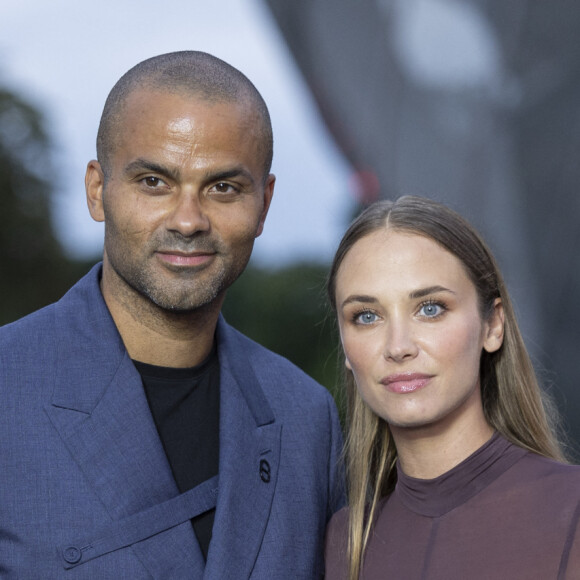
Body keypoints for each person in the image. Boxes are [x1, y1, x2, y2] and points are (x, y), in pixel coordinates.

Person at [0, 51, 344, 579]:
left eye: (223, 187)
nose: (188, 221)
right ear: (98, 190)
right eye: (154, 182)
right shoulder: (8, 385)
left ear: (265, 204)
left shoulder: (304, 418)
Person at [324, 195, 580, 579]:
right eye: (366, 316)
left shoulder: (572, 510)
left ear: (493, 326)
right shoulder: (338, 543)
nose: (398, 347)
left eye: (430, 308)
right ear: (344, 345)